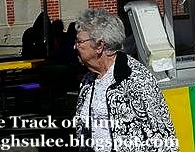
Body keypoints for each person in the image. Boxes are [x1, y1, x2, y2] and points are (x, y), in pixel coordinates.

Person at [73, 9, 178, 152]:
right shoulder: (88, 80)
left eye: (79, 41)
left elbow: (163, 136)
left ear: (99, 46)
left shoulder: (135, 78)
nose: (75, 46)